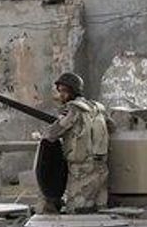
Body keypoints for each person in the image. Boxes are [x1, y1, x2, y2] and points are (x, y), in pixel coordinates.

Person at [33, 72, 110, 214]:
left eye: (65, 91)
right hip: (100, 167)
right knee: (100, 211)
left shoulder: (73, 109)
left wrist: (42, 135)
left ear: (74, 90)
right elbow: (111, 127)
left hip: (81, 170)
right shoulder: (97, 107)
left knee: (76, 211)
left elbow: (53, 133)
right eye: (60, 91)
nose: (61, 95)